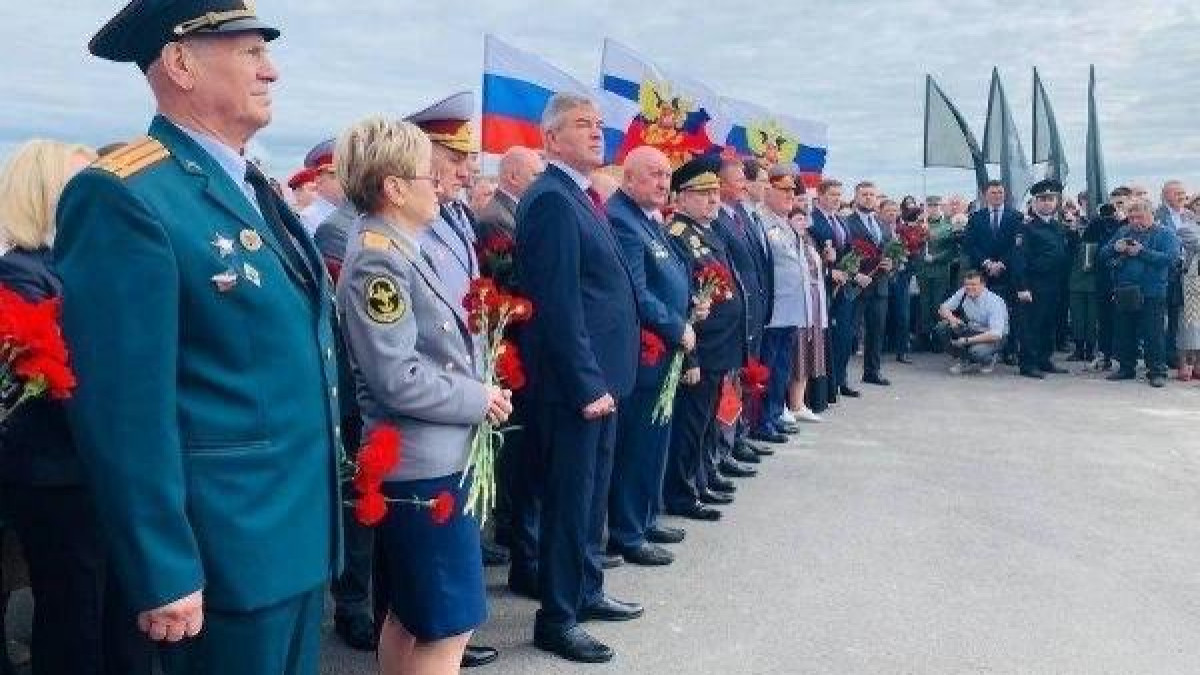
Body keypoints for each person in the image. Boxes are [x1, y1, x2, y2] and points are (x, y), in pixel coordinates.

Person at [54, 3, 342, 673]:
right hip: (221, 553)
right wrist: (163, 566)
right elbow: (122, 409)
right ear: (181, 63)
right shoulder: (127, 195)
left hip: (292, 535)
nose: (271, 70)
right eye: (250, 52)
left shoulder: (250, 186)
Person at [333, 115, 512, 675]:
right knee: (447, 626)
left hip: (427, 459)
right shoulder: (379, 258)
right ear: (393, 187)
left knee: (410, 618)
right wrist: (477, 398)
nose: (437, 184)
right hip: (422, 464)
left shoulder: (398, 247)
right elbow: (396, 376)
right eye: (426, 176)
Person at [515, 92, 642, 664]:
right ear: (551, 139)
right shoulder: (551, 200)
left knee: (591, 499)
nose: (597, 132)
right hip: (577, 387)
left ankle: (587, 590)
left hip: (603, 380)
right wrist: (587, 384)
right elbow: (558, 303)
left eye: (598, 124)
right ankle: (558, 617)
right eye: (582, 125)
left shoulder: (581, 196)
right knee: (570, 502)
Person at [0, 139, 121, 675]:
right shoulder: (22, 275)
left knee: (97, 611)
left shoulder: (63, 266)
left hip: (82, 466)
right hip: (56, 473)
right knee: (73, 617)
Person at [605, 146, 694, 567]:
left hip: (664, 350)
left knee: (655, 440)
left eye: (667, 175)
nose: (663, 183)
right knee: (637, 445)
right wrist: (676, 326)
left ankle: (644, 516)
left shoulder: (648, 219)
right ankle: (627, 532)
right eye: (655, 174)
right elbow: (637, 293)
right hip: (645, 351)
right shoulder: (623, 220)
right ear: (628, 179)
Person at [663, 155, 744, 521]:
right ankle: (682, 493)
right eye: (702, 193)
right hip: (701, 346)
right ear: (681, 197)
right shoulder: (679, 235)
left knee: (707, 420)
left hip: (719, 345)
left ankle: (702, 477)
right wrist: (691, 357)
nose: (713, 199)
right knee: (691, 424)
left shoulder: (707, 232)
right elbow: (682, 301)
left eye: (715, 192)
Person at [757, 166, 816, 436]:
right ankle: (763, 420)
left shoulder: (785, 223)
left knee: (781, 367)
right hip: (774, 310)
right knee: (768, 367)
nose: (790, 195)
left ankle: (775, 413)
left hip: (791, 310)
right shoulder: (761, 221)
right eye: (784, 190)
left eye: (793, 191)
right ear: (768, 190)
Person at [1100, 198, 1181, 387]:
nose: (1135, 221)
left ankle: (1157, 371)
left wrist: (1142, 252)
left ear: (1151, 214)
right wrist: (1115, 248)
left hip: (1152, 291)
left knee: (1153, 333)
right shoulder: (1123, 231)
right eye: (1132, 217)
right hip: (1125, 290)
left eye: (1140, 217)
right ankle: (1126, 368)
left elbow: (1170, 259)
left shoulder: (1165, 233)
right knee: (1124, 331)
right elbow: (1103, 254)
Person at [1010, 179, 1070, 379]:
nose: (1047, 203)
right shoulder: (1026, 227)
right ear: (1035, 202)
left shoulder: (1058, 226)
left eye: (1051, 199)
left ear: (1056, 202)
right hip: (1034, 284)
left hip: (1054, 283)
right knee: (1031, 325)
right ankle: (1028, 364)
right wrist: (1022, 287)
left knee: (1048, 323)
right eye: (1043, 199)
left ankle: (1044, 359)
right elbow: (1019, 259)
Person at [778, 194, 829, 423]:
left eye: (804, 218)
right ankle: (784, 404)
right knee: (794, 354)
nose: (802, 222)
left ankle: (799, 403)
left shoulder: (809, 240)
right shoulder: (785, 239)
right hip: (795, 302)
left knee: (809, 352)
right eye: (797, 218)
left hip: (814, 302)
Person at [810, 179, 860, 399]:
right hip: (823, 286)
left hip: (844, 286)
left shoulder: (841, 220)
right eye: (832, 194)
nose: (837, 199)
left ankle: (841, 380)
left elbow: (848, 251)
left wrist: (851, 269)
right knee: (827, 337)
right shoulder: (812, 220)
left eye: (839, 195)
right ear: (820, 195)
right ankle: (827, 386)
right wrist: (830, 272)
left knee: (844, 336)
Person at [964, 180, 1022, 363]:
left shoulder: (1016, 217)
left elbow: (1017, 246)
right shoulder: (976, 217)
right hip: (983, 273)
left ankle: (1010, 350)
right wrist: (987, 263)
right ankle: (986, 349)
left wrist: (1002, 263)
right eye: (993, 193)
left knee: (1010, 311)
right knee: (984, 312)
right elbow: (970, 244)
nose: (997, 196)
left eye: (1000, 193)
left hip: (1008, 272)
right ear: (985, 195)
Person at [844, 181, 895, 386]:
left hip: (880, 285)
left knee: (876, 331)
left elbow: (890, 251)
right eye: (864, 194)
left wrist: (891, 264)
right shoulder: (847, 223)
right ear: (856, 197)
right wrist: (855, 274)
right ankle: (841, 377)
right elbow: (844, 254)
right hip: (857, 286)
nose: (868, 198)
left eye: (872, 195)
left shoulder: (882, 224)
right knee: (849, 333)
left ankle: (872, 372)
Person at [1089, 188, 1133, 369]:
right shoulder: (1102, 222)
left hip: (1125, 279)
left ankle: (1124, 358)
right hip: (1105, 277)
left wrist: (1124, 220)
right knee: (1105, 318)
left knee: (1125, 320)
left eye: (1120, 204)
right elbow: (1089, 242)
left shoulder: (1133, 223)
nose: (1116, 208)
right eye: (1113, 204)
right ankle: (1105, 354)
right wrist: (1101, 220)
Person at [916, 196, 964, 352]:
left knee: (939, 303)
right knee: (924, 304)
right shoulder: (920, 224)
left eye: (936, 205)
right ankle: (924, 337)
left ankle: (938, 338)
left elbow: (952, 250)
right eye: (930, 206)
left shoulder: (948, 225)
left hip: (940, 270)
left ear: (941, 207)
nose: (933, 208)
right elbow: (913, 245)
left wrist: (935, 258)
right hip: (923, 270)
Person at [937, 270, 1009, 374]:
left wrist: (967, 340)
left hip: (994, 337)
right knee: (941, 327)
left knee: (976, 351)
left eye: (973, 284)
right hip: (972, 329)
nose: (969, 287)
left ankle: (989, 359)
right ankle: (964, 360)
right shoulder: (963, 292)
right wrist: (952, 319)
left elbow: (996, 334)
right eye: (967, 284)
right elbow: (942, 308)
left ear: (983, 285)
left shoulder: (993, 302)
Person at [475, 146, 543, 243]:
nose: (541, 182)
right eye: (536, 175)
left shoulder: (516, 210)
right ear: (513, 178)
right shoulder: (496, 219)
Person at [1157, 180, 1189, 369]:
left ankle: (1175, 354)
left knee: (1178, 318)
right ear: (1166, 195)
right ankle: (1162, 356)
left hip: (1185, 274)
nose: (1181, 197)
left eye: (1183, 193)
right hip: (1166, 273)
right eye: (1177, 193)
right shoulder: (1157, 215)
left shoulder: (1189, 215)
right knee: (1163, 318)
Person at [299, 138, 345, 235]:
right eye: (335, 176)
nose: (345, 182)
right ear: (319, 181)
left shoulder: (358, 211)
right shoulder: (309, 217)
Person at [1177, 217, 1200, 380]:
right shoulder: (1188, 226)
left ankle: (1197, 364)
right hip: (1192, 281)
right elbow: (1195, 243)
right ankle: (1184, 363)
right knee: (1188, 324)